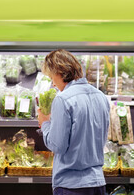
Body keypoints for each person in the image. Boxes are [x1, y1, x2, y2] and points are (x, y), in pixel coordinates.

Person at [38, 49, 110, 195]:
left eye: (52, 77)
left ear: (59, 72)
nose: (52, 83)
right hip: (97, 183)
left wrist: (45, 123)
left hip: (71, 186)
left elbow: (58, 145)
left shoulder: (63, 99)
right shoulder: (101, 96)